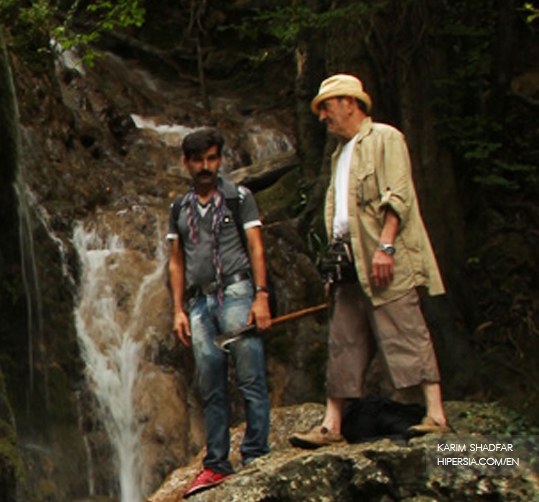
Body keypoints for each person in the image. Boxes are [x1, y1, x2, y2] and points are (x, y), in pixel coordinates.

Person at [291, 74, 449, 449]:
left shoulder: (386, 138)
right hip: (349, 262)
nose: (322, 117)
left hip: (381, 255)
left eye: (326, 107)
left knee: (407, 328)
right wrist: (333, 263)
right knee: (343, 340)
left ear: (349, 103)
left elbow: (399, 193)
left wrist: (387, 246)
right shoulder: (339, 154)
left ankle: (436, 415)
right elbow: (340, 215)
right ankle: (332, 426)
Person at [167, 129, 273, 496]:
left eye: (212, 159)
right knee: (211, 385)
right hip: (198, 303)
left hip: (238, 291)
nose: (205, 167)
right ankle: (215, 464)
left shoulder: (238, 197)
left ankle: (256, 455)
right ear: (187, 163)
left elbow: (256, 248)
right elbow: (176, 261)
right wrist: (177, 309)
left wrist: (261, 297)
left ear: (220, 160)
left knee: (250, 377)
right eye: (198, 160)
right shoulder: (178, 208)